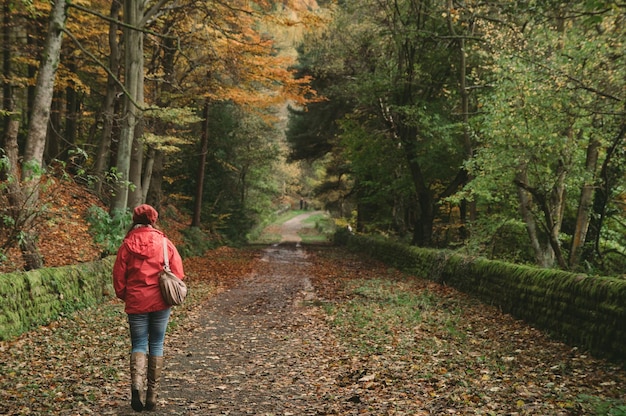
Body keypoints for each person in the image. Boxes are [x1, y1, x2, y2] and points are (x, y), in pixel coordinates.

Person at [113, 204, 185, 412]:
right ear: (153, 219)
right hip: (161, 302)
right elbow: (178, 273)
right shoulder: (164, 243)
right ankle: (152, 395)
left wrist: (124, 294)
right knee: (157, 343)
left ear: (135, 219)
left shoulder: (127, 244)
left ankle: (137, 388)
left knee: (138, 344)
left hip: (136, 302)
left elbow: (118, 276)